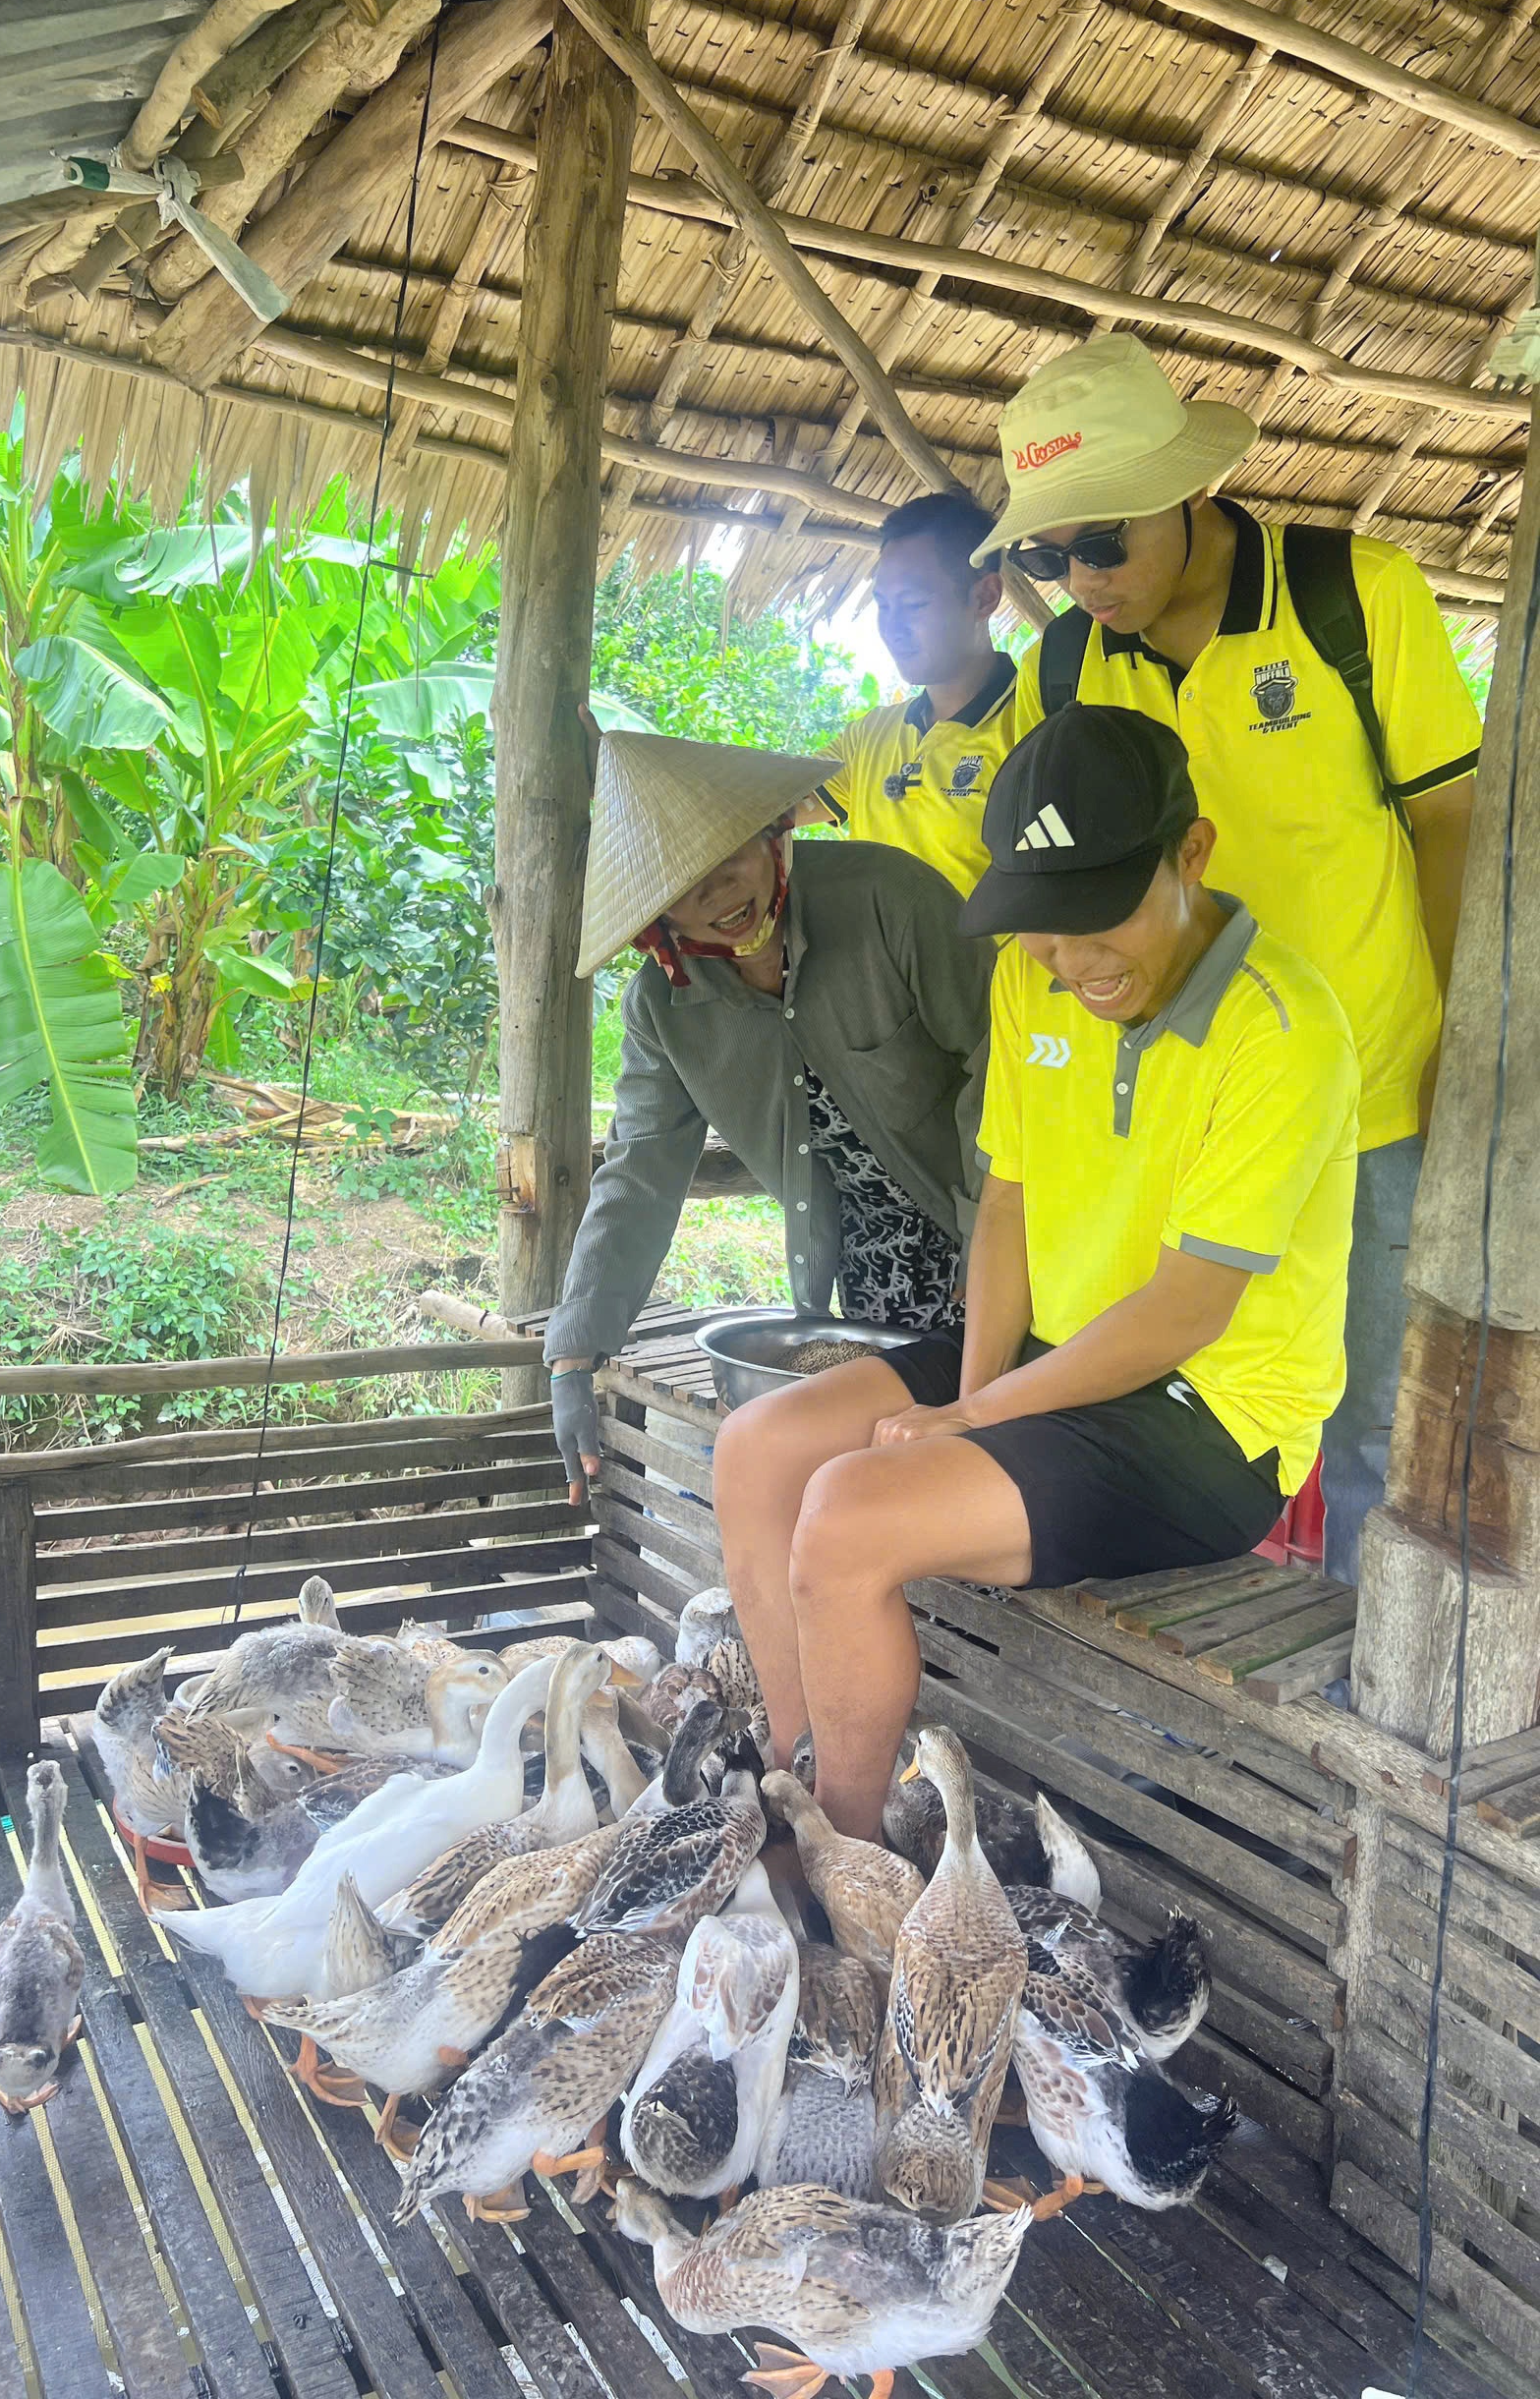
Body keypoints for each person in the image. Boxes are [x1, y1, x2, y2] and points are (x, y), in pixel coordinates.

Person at [713, 705, 1358, 1842]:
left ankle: (841, 1851)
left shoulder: (1281, 1029)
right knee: (757, 1447)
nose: (1069, 963)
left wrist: (974, 1418)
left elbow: (1183, 1309)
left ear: (1190, 854)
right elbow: (1005, 1201)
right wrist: (971, 1394)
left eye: (1093, 921)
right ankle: (788, 1761)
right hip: (1049, 1358)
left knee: (848, 1516)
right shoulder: (1036, 976)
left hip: (1207, 1412)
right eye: (1041, 930)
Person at [984, 333, 1479, 1586]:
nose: (1081, 577)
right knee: (1155, 1419)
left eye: (1106, 540)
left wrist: (1462, 1055)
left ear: (1191, 493)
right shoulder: (1064, 670)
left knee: (1366, 1417)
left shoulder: (1355, 600)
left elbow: (1452, 830)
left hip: (1366, 1095)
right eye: (1049, 552)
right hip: (1168, 1118)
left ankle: (1351, 1700)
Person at [544, 728, 993, 1501]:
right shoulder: (664, 1006)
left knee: (992, 1447)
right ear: (657, 921)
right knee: (896, 1470)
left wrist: (993, 1235)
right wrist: (574, 1353)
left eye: (731, 861)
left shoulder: (890, 899)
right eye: (687, 889)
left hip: (998, 1226)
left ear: (774, 833)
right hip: (864, 1262)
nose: (720, 895)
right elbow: (639, 1170)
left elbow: (1004, 1065)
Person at [805, 491, 1018, 892]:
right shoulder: (868, 739)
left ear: (986, 596)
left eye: (914, 604)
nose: (892, 628)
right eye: (883, 605)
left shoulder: (1033, 728)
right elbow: (767, 807)